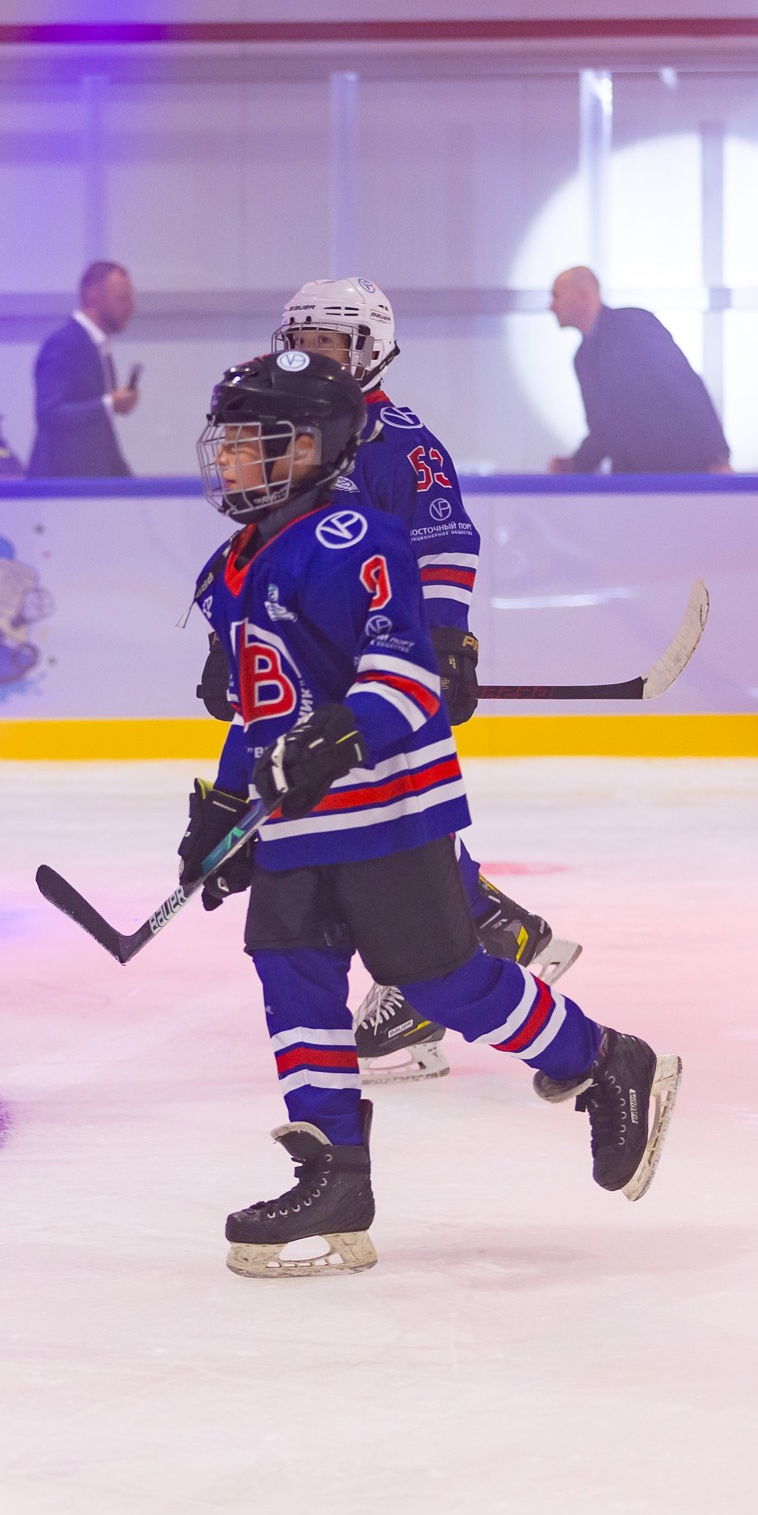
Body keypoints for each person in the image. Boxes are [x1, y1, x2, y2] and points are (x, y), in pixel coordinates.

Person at [186, 349, 681, 1278]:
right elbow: (262, 712)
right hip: (297, 825)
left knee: (441, 980)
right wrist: (221, 808)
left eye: (258, 442)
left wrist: (341, 732)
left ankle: (606, 1059)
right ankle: (333, 1171)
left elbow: (405, 674)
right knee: (290, 974)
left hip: (389, 809)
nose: (235, 459)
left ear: (316, 447)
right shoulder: (231, 566)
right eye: (233, 442)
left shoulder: (357, 539)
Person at [199, 277, 580, 1084]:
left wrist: (444, 640)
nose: (315, 356)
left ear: (371, 349)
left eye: (334, 344)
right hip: (321, 659)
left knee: (388, 808)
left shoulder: (402, 441)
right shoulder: (286, 428)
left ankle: (478, 956)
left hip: (376, 661)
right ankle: (503, 935)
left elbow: (446, 539)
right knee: (354, 810)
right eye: (304, 340)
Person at [547, 266, 732, 474]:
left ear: (582, 295)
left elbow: (683, 385)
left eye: (556, 296)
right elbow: (603, 429)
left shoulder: (633, 326)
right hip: (632, 481)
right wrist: (575, 465)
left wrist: (717, 456)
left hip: (681, 473)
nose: (551, 307)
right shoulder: (583, 359)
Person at [28, 261, 140, 478]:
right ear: (92, 296)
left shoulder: (97, 348)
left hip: (88, 488)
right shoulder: (64, 344)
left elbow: (101, 433)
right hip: (61, 489)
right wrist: (109, 404)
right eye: (122, 298)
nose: (131, 306)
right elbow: (48, 413)